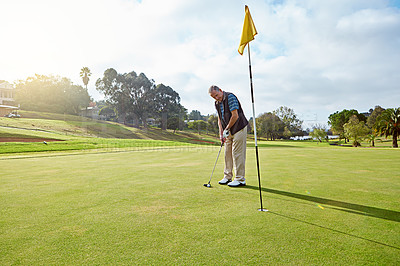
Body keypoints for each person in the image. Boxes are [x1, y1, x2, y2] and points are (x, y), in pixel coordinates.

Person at [208, 85, 248, 187]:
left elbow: (235, 116)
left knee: (237, 153)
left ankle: (240, 179)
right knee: (227, 153)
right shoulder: (217, 103)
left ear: (220, 91)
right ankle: (227, 176)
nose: (216, 98)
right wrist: (221, 133)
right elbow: (220, 119)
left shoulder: (230, 97)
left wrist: (227, 129)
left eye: (217, 95)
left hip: (239, 127)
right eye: (214, 97)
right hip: (228, 130)